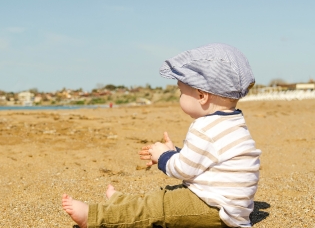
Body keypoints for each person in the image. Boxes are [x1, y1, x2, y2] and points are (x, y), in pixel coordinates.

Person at [62, 43, 261, 228]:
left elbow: (184, 170)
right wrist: (175, 152)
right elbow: (207, 161)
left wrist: (163, 157)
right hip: (231, 207)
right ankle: (121, 202)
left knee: (159, 207)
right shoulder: (233, 122)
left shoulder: (204, 127)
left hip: (214, 209)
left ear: (202, 95)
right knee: (164, 196)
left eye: (182, 92)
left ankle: (95, 217)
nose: (180, 96)